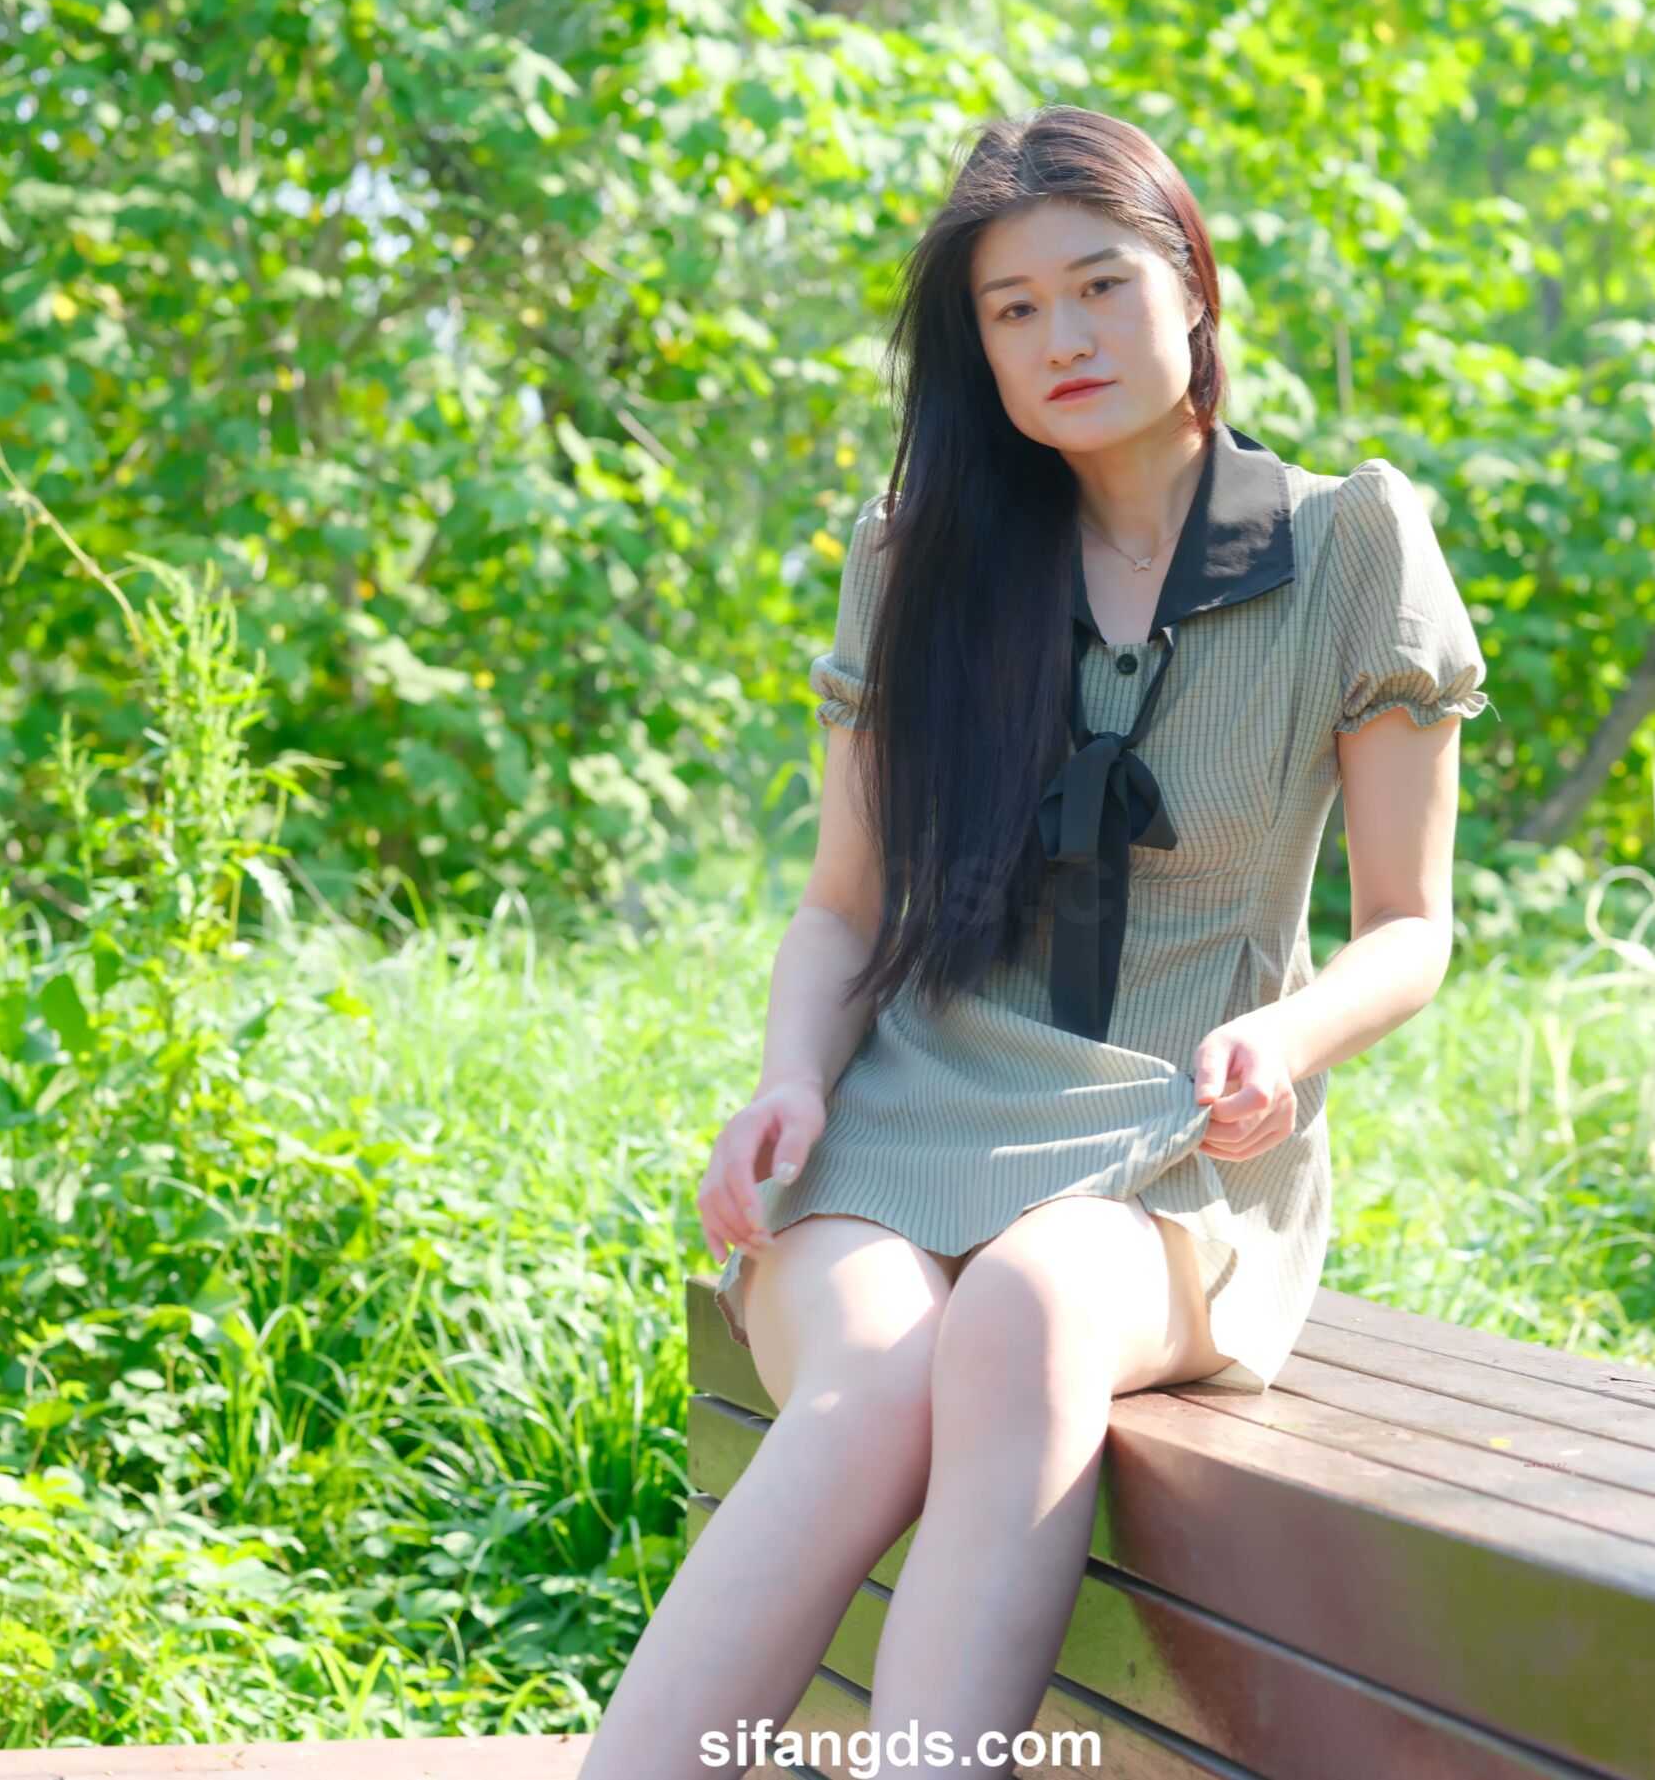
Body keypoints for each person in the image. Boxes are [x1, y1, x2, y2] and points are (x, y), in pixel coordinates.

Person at [581, 104, 1490, 1778]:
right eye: (1013, 309)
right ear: (978, 347)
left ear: (1191, 285)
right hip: (903, 1121)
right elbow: (845, 905)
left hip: (1176, 1146)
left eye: (1099, 285)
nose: (1061, 337)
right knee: (873, 1374)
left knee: (1024, 1311)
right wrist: (790, 1081)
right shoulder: (916, 560)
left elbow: (1411, 927)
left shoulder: (1348, 544)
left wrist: (1283, 1042)